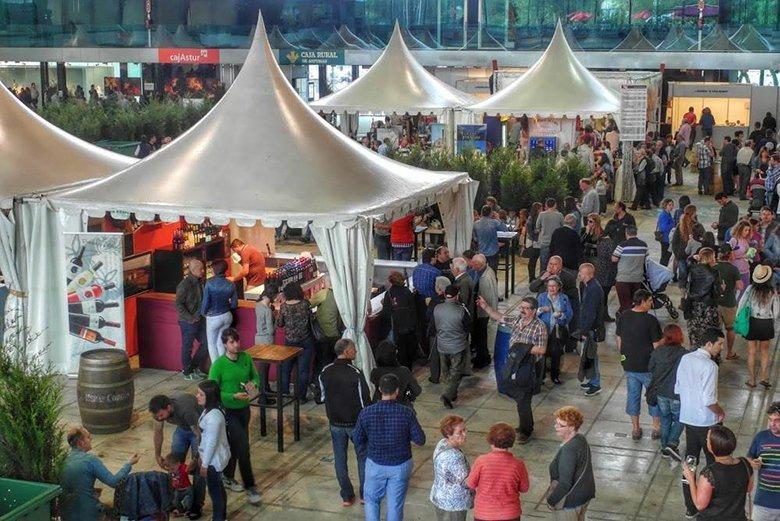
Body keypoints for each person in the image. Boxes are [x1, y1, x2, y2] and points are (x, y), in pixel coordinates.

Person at [352, 373, 426, 521]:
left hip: (375, 464)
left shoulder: (366, 413)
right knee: (395, 505)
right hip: (400, 465)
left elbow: (357, 439)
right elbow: (420, 440)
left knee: (372, 501)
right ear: (397, 391)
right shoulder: (406, 413)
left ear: (379, 389)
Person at [477, 296, 547, 444]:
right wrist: (485, 307)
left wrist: (523, 348)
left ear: (534, 311)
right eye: (521, 307)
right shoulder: (517, 320)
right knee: (519, 397)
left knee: (523, 400)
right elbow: (501, 317)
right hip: (515, 364)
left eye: (526, 308)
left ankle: (526, 431)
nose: (522, 310)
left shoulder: (539, 326)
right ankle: (524, 426)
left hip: (528, 367)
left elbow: (541, 349)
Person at [207, 328, 262, 505]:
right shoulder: (218, 365)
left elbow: (256, 377)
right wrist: (232, 396)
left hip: (244, 409)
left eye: (237, 341)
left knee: (234, 446)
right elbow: (211, 392)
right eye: (232, 342)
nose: (236, 345)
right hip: (228, 412)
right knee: (244, 448)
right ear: (224, 344)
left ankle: (227, 476)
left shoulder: (246, 358)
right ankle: (251, 487)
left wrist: (252, 384)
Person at [675, 328, 725, 518]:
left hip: (689, 420)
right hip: (707, 423)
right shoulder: (710, 366)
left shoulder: (686, 359)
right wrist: (720, 412)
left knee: (690, 462)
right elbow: (709, 400)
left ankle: (691, 505)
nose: (721, 348)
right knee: (714, 464)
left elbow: (678, 388)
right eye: (720, 344)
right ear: (709, 344)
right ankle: (711, 503)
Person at [319, 338, 371, 507]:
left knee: (340, 459)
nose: (356, 352)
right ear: (347, 352)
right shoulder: (355, 372)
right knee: (362, 458)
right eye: (354, 349)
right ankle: (364, 494)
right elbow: (365, 401)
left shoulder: (325, 372)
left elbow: (322, 397)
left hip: (335, 422)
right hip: (355, 423)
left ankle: (347, 496)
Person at [60, 426, 139, 520]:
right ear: (81, 443)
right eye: (89, 437)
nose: (91, 439)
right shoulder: (90, 460)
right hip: (90, 515)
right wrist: (128, 463)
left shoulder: (62, 461)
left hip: (67, 516)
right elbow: (114, 482)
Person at [149, 393, 207, 517]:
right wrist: (157, 454)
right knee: (173, 464)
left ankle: (197, 505)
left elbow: (200, 436)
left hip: (198, 430)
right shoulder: (159, 414)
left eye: (161, 415)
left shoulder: (186, 410)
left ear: (169, 408)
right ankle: (176, 500)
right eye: (157, 416)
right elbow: (158, 432)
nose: (159, 418)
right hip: (182, 428)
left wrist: (196, 458)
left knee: (198, 469)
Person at [615, 289, 662, 440]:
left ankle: (635, 428)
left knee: (633, 395)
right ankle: (656, 427)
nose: (651, 303)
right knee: (653, 396)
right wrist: (665, 340)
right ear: (642, 302)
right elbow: (656, 345)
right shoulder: (651, 321)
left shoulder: (624, 316)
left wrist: (623, 356)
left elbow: (619, 339)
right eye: (649, 301)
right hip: (647, 366)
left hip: (629, 364)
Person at [681, 425, 753, 520]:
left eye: (707, 440)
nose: (706, 441)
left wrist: (691, 479)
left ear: (712, 447)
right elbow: (748, 488)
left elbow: (699, 505)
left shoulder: (709, 473)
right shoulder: (745, 464)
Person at [466, 422, 530, 521]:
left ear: (491, 440)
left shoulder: (481, 461)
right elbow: (524, 488)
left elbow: (470, 484)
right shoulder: (518, 464)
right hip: (510, 514)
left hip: (484, 513)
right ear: (511, 441)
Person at [546, 407, 596, 519]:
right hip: (584, 495)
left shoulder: (569, 450)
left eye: (560, 425)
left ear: (572, 427)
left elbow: (565, 484)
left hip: (571, 502)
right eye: (556, 423)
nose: (556, 427)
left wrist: (551, 501)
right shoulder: (581, 439)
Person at [648, 324, 687, 461]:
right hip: (676, 394)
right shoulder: (684, 354)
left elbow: (651, 368)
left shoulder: (658, 351)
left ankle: (665, 448)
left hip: (661, 393)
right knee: (680, 419)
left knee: (665, 419)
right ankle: (672, 442)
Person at [737, 264, 780, 389]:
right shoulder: (772, 291)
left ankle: (752, 380)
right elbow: (776, 311)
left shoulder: (750, 289)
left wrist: (738, 317)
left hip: (752, 322)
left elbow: (741, 303)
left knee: (751, 353)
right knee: (765, 353)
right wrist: (772, 321)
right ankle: (764, 377)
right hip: (766, 323)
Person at [431, 285, 471, 409]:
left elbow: (433, 327)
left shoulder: (437, 308)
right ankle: (447, 396)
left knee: (445, 371)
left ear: (444, 295)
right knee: (455, 372)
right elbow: (468, 327)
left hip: (441, 346)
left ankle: (451, 393)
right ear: (457, 296)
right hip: (457, 346)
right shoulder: (461, 310)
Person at [196, 380, 230, 521]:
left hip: (213, 460)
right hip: (210, 457)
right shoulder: (209, 409)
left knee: (215, 492)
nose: (197, 396)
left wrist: (205, 464)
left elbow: (211, 443)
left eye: (201, 394)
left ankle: (219, 518)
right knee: (218, 488)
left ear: (209, 396)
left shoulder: (214, 417)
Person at [276, 282, 315, 400]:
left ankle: (285, 393)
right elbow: (312, 318)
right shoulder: (305, 304)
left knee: (285, 368)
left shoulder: (284, 307)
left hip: (290, 341)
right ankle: (301, 397)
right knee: (303, 370)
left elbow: (280, 324)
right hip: (305, 340)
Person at [430, 415, 472, 521]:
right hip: (453, 503)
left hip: (440, 496)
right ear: (449, 434)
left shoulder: (442, 443)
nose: (465, 434)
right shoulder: (454, 456)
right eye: (460, 432)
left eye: (465, 429)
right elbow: (467, 482)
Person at [176, 257, 208, 379]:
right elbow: (178, 304)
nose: (203, 271)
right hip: (188, 321)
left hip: (199, 319)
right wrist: (190, 317)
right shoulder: (184, 285)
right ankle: (187, 372)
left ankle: (193, 367)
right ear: (194, 270)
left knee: (206, 342)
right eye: (201, 269)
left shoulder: (200, 281)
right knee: (187, 346)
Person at [537, 276, 573, 386]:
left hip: (557, 330)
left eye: (554, 286)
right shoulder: (542, 297)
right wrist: (542, 310)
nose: (552, 288)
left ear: (559, 287)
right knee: (541, 353)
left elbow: (570, 314)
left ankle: (555, 376)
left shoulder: (564, 298)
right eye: (549, 286)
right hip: (543, 329)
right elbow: (534, 312)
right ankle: (541, 377)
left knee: (556, 353)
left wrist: (561, 315)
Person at [748, 401, 780, 521]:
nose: (772, 424)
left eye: (777, 420)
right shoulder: (761, 437)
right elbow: (750, 457)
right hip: (763, 502)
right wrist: (753, 463)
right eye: (770, 420)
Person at [200, 260, 237, 362]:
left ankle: (216, 372)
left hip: (213, 317)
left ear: (214, 270)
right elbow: (234, 304)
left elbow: (205, 302)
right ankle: (224, 368)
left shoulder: (210, 283)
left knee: (211, 344)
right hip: (227, 315)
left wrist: (203, 313)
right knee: (221, 343)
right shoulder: (231, 284)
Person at [577, 263, 605, 395]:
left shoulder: (593, 289)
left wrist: (584, 331)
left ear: (588, 274)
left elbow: (590, 313)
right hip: (590, 328)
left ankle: (595, 384)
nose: (579, 274)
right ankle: (592, 380)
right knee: (588, 356)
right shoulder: (589, 285)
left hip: (591, 329)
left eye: (581, 272)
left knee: (591, 356)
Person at [370, 340, 422, 408]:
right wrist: (408, 394)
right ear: (394, 355)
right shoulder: (404, 371)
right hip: (401, 406)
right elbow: (417, 390)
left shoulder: (374, 372)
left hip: (380, 407)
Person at [687, 248, 722, 348]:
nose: (715, 259)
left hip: (693, 306)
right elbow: (717, 292)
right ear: (710, 258)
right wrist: (722, 288)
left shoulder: (692, 268)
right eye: (714, 257)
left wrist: (694, 257)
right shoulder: (714, 273)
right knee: (710, 336)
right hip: (708, 308)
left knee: (694, 335)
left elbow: (688, 260)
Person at [715, 245, 743, 361]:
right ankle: (729, 352)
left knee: (716, 329)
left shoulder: (714, 267)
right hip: (729, 302)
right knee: (730, 329)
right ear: (730, 254)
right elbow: (740, 286)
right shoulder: (733, 269)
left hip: (715, 302)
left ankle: (715, 353)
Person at [612, 226, 648, 313]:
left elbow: (614, 259)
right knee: (636, 304)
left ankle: (625, 321)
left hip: (623, 279)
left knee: (625, 305)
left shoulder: (622, 245)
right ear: (636, 233)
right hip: (637, 279)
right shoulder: (644, 245)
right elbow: (646, 260)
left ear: (626, 233)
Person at [471, 254, 498, 369]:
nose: (471, 266)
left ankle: (482, 359)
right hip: (486, 312)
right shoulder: (487, 270)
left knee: (482, 337)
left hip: (483, 314)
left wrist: (485, 312)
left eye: (473, 264)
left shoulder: (485, 279)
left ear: (479, 264)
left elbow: (486, 299)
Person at [427, 276, 450, 384]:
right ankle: (448, 376)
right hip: (449, 331)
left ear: (439, 289)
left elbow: (429, 315)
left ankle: (435, 377)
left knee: (434, 356)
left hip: (436, 332)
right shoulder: (452, 299)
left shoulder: (434, 301)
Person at [472, 205, 508, 272]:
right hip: (493, 250)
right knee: (493, 272)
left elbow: (475, 238)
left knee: (481, 271)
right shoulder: (494, 222)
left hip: (481, 250)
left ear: (481, 213)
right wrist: (498, 218)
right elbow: (505, 230)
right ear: (491, 213)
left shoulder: (476, 224)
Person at [536, 198, 564, 268]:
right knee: (555, 265)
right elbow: (563, 226)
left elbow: (537, 226)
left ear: (546, 205)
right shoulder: (559, 215)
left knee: (543, 264)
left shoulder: (541, 214)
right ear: (555, 205)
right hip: (556, 243)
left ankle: (543, 278)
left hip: (544, 241)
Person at [524, 202, 543, 282]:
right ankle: (531, 277)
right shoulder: (532, 218)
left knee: (533, 260)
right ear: (538, 209)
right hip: (534, 241)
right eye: (541, 208)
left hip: (534, 240)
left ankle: (532, 277)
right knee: (533, 259)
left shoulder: (532, 217)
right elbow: (530, 230)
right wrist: (537, 231)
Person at [657, 199, 675, 266]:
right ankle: (662, 270)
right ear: (665, 205)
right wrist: (673, 224)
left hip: (666, 238)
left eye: (672, 205)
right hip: (665, 239)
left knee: (666, 256)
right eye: (669, 205)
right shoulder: (664, 215)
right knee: (665, 256)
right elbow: (663, 228)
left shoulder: (667, 213)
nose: (671, 206)